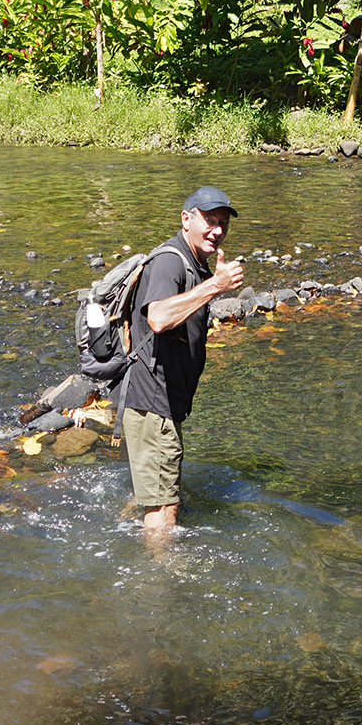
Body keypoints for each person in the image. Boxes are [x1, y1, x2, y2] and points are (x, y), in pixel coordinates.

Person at [122, 186, 245, 536]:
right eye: (209, 220)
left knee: (157, 494)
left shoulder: (195, 263)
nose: (217, 231)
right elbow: (158, 317)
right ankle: (162, 580)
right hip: (152, 400)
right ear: (186, 218)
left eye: (223, 223)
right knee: (164, 510)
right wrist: (215, 287)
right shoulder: (169, 262)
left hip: (163, 400)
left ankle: (131, 526)